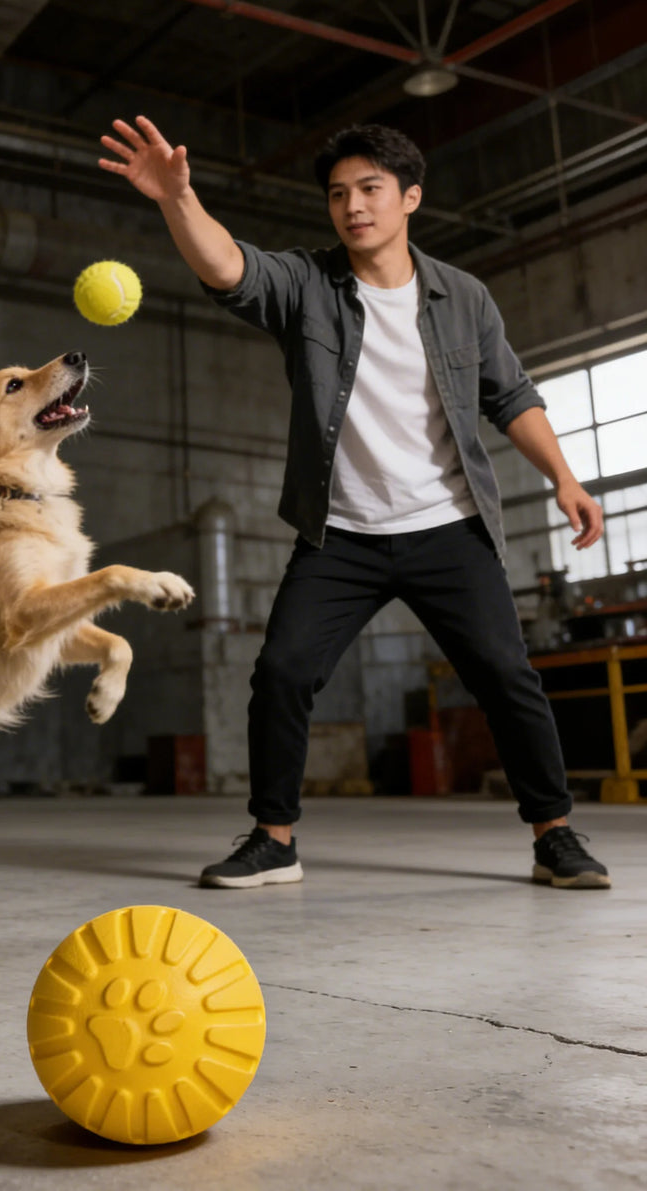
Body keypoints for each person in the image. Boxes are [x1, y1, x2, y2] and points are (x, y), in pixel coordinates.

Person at [100, 114, 611, 891]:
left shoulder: (463, 297)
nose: (353, 205)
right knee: (281, 671)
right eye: (338, 193)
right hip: (340, 534)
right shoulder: (309, 285)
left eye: (370, 188)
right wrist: (177, 199)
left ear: (410, 196)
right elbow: (231, 268)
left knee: (508, 676)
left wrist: (564, 478)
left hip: (450, 526)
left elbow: (510, 395)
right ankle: (274, 839)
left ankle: (556, 836)